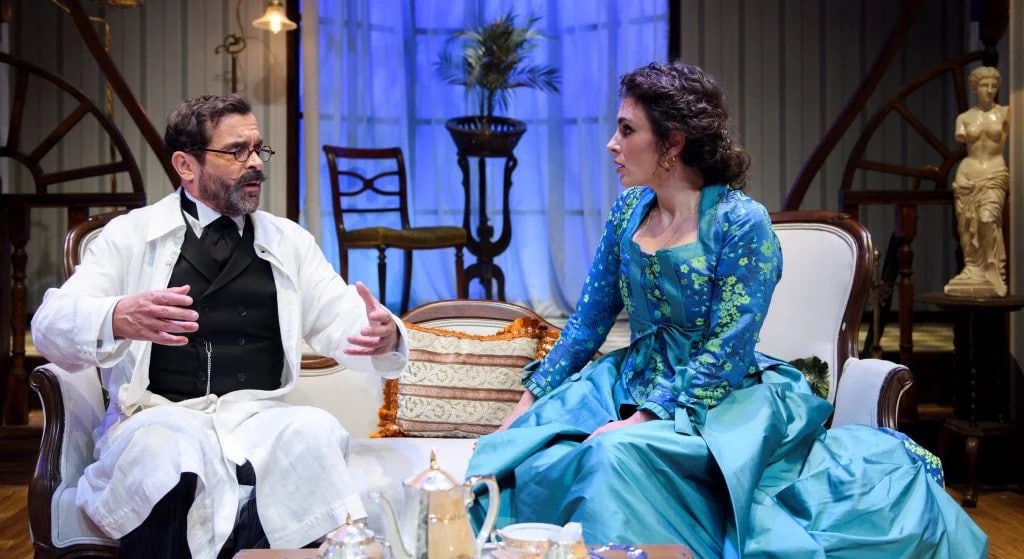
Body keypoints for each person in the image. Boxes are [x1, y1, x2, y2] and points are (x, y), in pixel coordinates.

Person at [466, 61, 988, 558]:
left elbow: (726, 349)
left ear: (672, 142)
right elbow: (586, 323)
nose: (612, 143)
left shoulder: (741, 223)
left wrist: (644, 419)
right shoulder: (627, 212)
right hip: (628, 380)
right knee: (523, 452)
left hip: (716, 397)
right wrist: (523, 406)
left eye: (627, 130)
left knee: (612, 455)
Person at [31, 94, 408, 559]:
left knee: (311, 430)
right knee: (166, 450)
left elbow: (340, 314)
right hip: (159, 414)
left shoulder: (288, 241)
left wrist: (384, 334)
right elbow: (49, 324)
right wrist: (116, 316)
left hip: (258, 416)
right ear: (185, 165)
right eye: (236, 151)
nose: (256, 163)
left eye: (258, 149)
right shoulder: (130, 237)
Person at [945, 65, 1011, 297]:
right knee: (966, 226)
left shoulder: (1005, 113)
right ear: (975, 87)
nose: (990, 90)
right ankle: (973, 268)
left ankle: (992, 265)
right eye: (984, 85)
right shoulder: (964, 118)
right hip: (968, 175)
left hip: (994, 173)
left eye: (994, 85)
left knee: (987, 218)